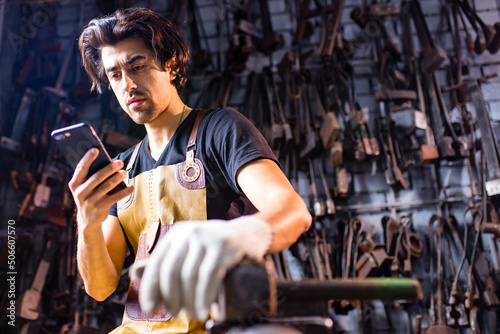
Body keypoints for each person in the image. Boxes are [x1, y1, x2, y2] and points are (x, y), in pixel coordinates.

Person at [70, 7, 311, 334]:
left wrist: (241, 235)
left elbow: (294, 211)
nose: (127, 84)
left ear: (169, 64)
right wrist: (87, 224)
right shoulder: (121, 169)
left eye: (137, 66)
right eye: (114, 75)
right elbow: (100, 288)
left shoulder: (220, 129)